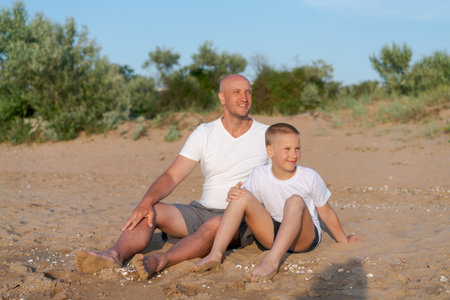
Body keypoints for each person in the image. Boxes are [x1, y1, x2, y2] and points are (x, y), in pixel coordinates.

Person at [75, 74, 269, 280]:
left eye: (248, 92)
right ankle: (113, 255)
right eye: (237, 92)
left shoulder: (266, 135)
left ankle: (160, 260)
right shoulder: (205, 132)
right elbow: (173, 175)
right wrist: (146, 202)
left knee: (215, 224)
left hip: (239, 219)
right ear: (222, 98)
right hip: (202, 211)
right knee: (152, 210)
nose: (244, 98)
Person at [194, 123, 359, 282]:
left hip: (302, 237)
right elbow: (247, 206)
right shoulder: (259, 174)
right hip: (271, 234)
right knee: (241, 195)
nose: (294, 154)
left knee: (295, 201)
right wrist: (234, 193)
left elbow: (326, 213)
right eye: (287, 149)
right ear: (270, 151)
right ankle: (215, 254)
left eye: (297, 148)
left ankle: (271, 261)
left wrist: (344, 241)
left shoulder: (309, 177)